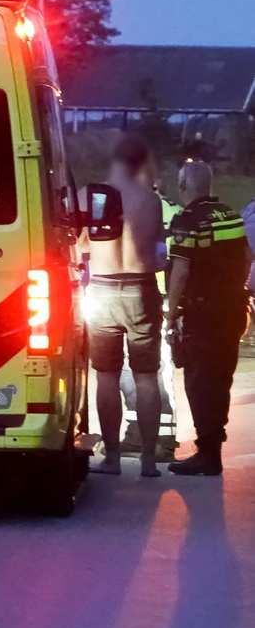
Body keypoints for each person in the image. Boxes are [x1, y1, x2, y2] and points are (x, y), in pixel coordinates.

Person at [84, 135, 166, 477]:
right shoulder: (151, 200)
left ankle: (113, 457)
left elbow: (78, 247)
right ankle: (148, 460)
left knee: (106, 375)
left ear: (114, 160)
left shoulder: (89, 197)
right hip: (141, 289)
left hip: (101, 290)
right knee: (147, 377)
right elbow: (160, 255)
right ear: (140, 162)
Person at [166, 161, 250, 476]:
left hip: (203, 314)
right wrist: (234, 288)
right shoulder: (229, 213)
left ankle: (207, 453)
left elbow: (181, 272)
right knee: (221, 380)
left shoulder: (187, 221)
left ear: (183, 185)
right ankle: (213, 446)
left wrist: (170, 314)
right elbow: (245, 257)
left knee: (199, 382)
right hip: (233, 309)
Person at [118, 186, 181, 460]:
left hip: (145, 297)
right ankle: (153, 437)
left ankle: (153, 438)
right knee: (153, 372)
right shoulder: (175, 211)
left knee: (138, 372)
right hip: (157, 299)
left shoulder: (123, 208)